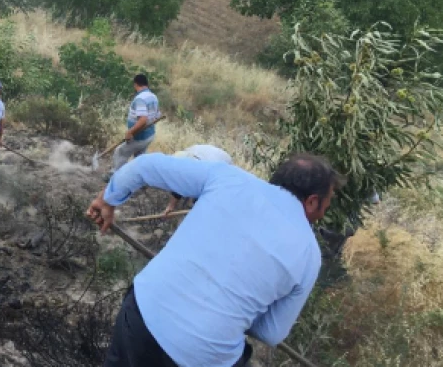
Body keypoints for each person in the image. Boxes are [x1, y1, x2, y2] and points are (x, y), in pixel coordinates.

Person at [87, 152, 341, 367]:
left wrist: (107, 200)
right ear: (312, 201)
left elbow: (144, 166)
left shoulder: (227, 178)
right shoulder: (310, 255)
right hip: (204, 357)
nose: (325, 212)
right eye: (327, 205)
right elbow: (271, 333)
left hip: (142, 318)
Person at [161, 144, 235, 216]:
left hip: (224, 171)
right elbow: (179, 182)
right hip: (209, 157)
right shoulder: (187, 155)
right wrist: (171, 206)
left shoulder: (208, 172)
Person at [111, 74, 160, 169]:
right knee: (139, 157)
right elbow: (157, 116)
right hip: (149, 135)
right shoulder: (153, 96)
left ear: (136, 84)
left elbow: (143, 119)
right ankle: (138, 178)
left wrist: (130, 132)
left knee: (120, 152)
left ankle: (116, 175)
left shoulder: (140, 99)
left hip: (139, 137)